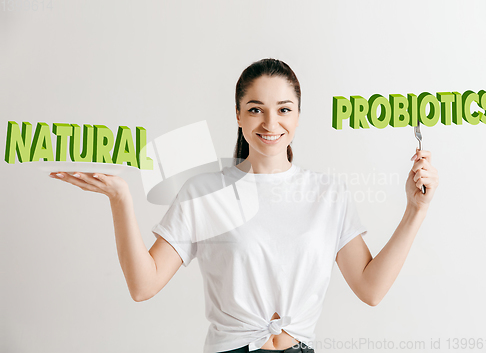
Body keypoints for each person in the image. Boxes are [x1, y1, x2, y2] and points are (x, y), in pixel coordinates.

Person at [49, 58, 439, 353]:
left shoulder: (327, 193)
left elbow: (370, 289)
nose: (270, 122)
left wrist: (415, 210)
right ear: (238, 116)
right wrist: (121, 199)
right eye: (255, 109)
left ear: (299, 116)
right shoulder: (205, 192)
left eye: (284, 108)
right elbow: (143, 285)